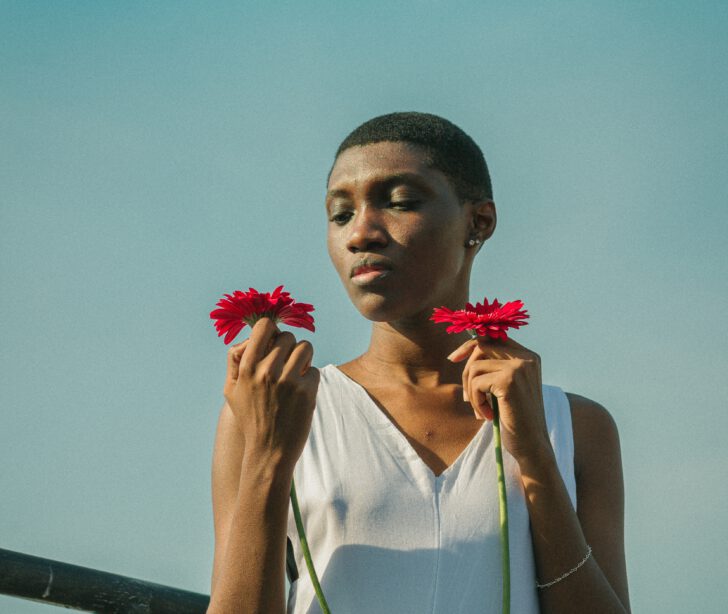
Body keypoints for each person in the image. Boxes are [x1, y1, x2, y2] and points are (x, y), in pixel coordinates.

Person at [206, 112, 630, 613]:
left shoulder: (575, 426)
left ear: (479, 222)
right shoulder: (273, 407)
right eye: (340, 214)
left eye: (401, 202)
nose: (361, 233)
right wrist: (269, 459)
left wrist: (535, 454)